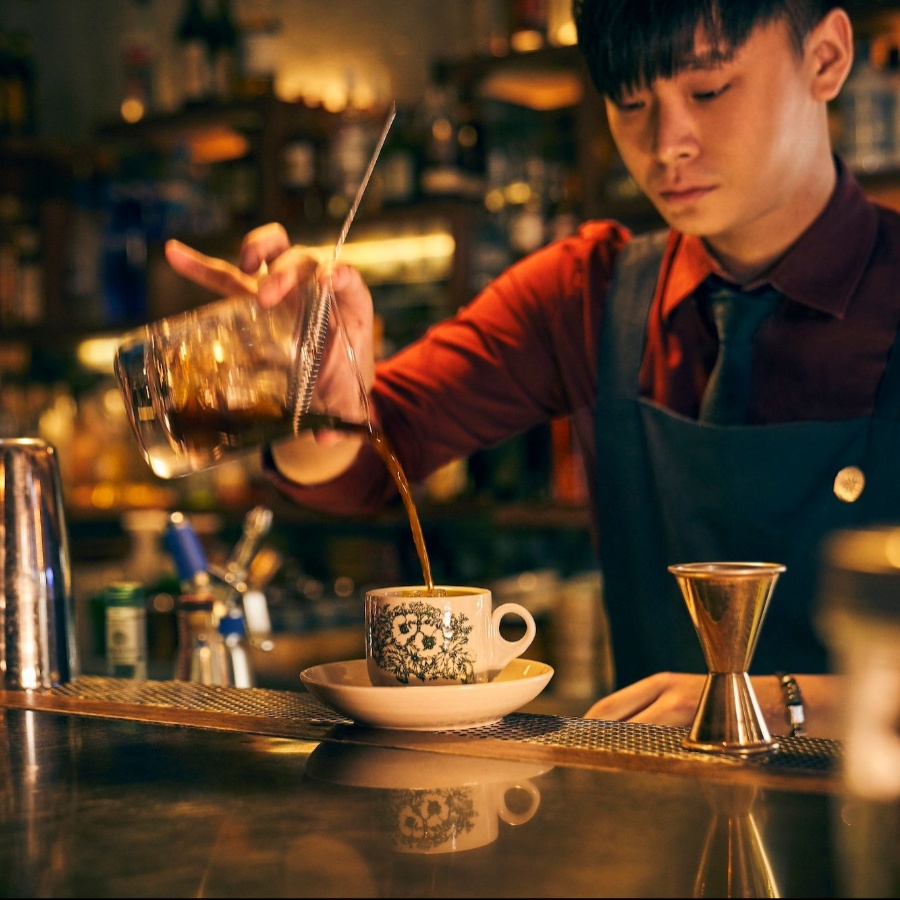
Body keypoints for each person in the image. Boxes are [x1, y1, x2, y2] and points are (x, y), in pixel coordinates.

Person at [165, 0, 900, 740]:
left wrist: (781, 703)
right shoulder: (590, 294)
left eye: (709, 91)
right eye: (631, 101)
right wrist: (320, 401)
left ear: (826, 58)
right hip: (659, 822)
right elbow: (367, 466)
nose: (666, 143)